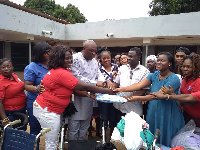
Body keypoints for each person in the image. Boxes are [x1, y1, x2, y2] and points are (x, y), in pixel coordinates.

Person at [33, 44, 115, 150]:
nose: (70, 60)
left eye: (70, 57)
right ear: (58, 58)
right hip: (48, 110)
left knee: (54, 138)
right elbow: (83, 85)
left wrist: (89, 94)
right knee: (52, 142)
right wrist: (108, 91)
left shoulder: (62, 70)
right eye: (66, 58)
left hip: (50, 109)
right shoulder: (61, 73)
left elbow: (74, 90)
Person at [115, 52, 185, 147]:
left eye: (162, 60)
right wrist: (121, 89)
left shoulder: (174, 79)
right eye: (158, 60)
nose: (159, 62)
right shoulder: (154, 75)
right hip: (154, 109)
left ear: (170, 63)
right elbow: (139, 85)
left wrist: (137, 98)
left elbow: (157, 95)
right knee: (152, 134)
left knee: (166, 134)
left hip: (167, 111)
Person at [152, 54, 200, 127]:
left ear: (195, 68)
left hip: (198, 117)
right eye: (183, 66)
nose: (185, 69)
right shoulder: (185, 79)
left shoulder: (198, 81)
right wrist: (176, 97)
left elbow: (191, 102)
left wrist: (168, 96)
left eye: (188, 67)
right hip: (187, 114)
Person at [67, 40, 102, 141]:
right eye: (91, 51)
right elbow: (76, 77)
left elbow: (98, 74)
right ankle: (72, 147)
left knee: (84, 127)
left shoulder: (94, 61)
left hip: (89, 98)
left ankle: (81, 145)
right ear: (84, 49)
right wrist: (95, 84)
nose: (93, 53)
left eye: (95, 51)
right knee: (73, 127)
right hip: (77, 96)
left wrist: (103, 81)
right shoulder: (75, 59)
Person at [113, 47, 150, 123]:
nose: (128, 58)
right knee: (120, 131)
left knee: (133, 132)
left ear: (138, 57)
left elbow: (143, 90)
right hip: (119, 107)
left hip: (134, 109)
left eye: (131, 56)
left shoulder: (145, 71)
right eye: (128, 56)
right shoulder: (122, 68)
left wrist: (128, 98)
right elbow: (116, 84)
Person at [24, 42, 51, 136]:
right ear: (40, 53)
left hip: (50, 103)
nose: (49, 54)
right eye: (46, 52)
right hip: (36, 104)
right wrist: (37, 88)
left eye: (50, 52)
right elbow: (26, 86)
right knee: (35, 130)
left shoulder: (52, 65)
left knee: (50, 130)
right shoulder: (32, 67)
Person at [96, 50, 118, 141]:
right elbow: (99, 82)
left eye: (108, 57)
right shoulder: (98, 68)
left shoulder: (116, 67)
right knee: (103, 116)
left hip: (114, 96)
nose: (106, 60)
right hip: (102, 96)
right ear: (100, 59)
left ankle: (112, 137)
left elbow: (118, 80)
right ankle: (103, 137)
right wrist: (107, 82)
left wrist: (112, 84)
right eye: (104, 58)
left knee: (113, 116)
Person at [0, 58, 27, 130]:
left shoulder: (14, 76)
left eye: (9, 66)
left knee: (22, 133)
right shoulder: (1, 82)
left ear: (12, 67)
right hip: (11, 114)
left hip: (22, 111)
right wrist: (5, 120)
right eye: (3, 67)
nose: (6, 69)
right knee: (13, 136)